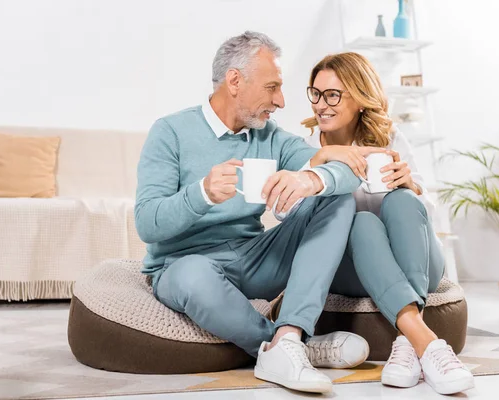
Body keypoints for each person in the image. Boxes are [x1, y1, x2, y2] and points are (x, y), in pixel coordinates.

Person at [134, 32, 370, 394]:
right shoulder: (171, 132)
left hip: (252, 256)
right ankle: (286, 348)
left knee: (335, 198)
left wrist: (310, 178)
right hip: (183, 263)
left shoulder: (270, 136)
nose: (281, 100)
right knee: (194, 275)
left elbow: (345, 174)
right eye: (272, 87)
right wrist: (202, 194)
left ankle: (291, 333)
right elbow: (148, 223)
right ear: (234, 81)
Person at [299, 52, 475, 395]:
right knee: (361, 221)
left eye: (333, 95)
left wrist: (412, 185)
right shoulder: (306, 151)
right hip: (351, 270)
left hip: (418, 259)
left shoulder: (388, 137)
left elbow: (428, 214)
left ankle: (408, 344)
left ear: (360, 97)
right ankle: (424, 342)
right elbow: (297, 225)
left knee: (403, 199)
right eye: (316, 94)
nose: (321, 104)